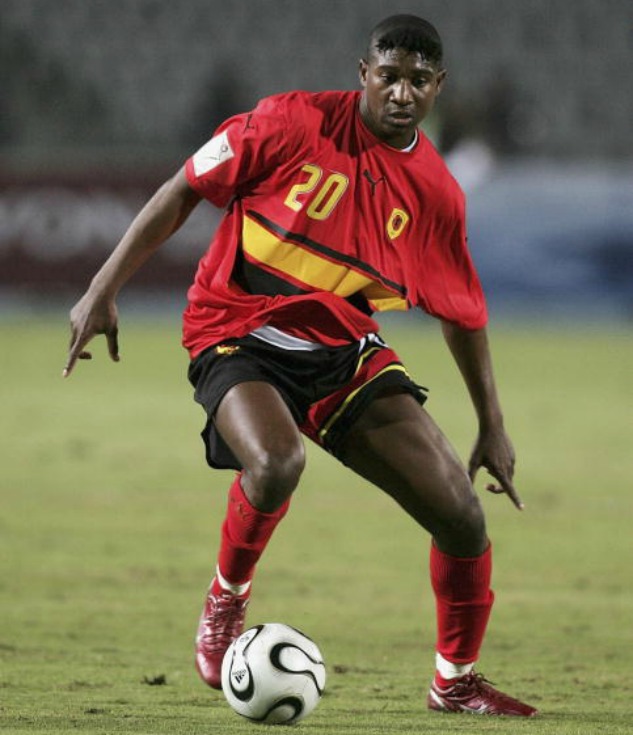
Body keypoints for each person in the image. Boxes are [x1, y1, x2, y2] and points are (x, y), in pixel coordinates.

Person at [64, 15, 537, 717]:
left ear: (437, 86)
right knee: (279, 461)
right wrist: (102, 287)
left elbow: (462, 311)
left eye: (416, 80)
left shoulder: (436, 193)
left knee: (461, 517)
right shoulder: (290, 122)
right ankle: (225, 600)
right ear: (363, 74)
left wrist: (491, 424)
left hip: (340, 349)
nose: (401, 92)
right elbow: (185, 185)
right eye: (388, 76)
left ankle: (455, 681)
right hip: (235, 328)